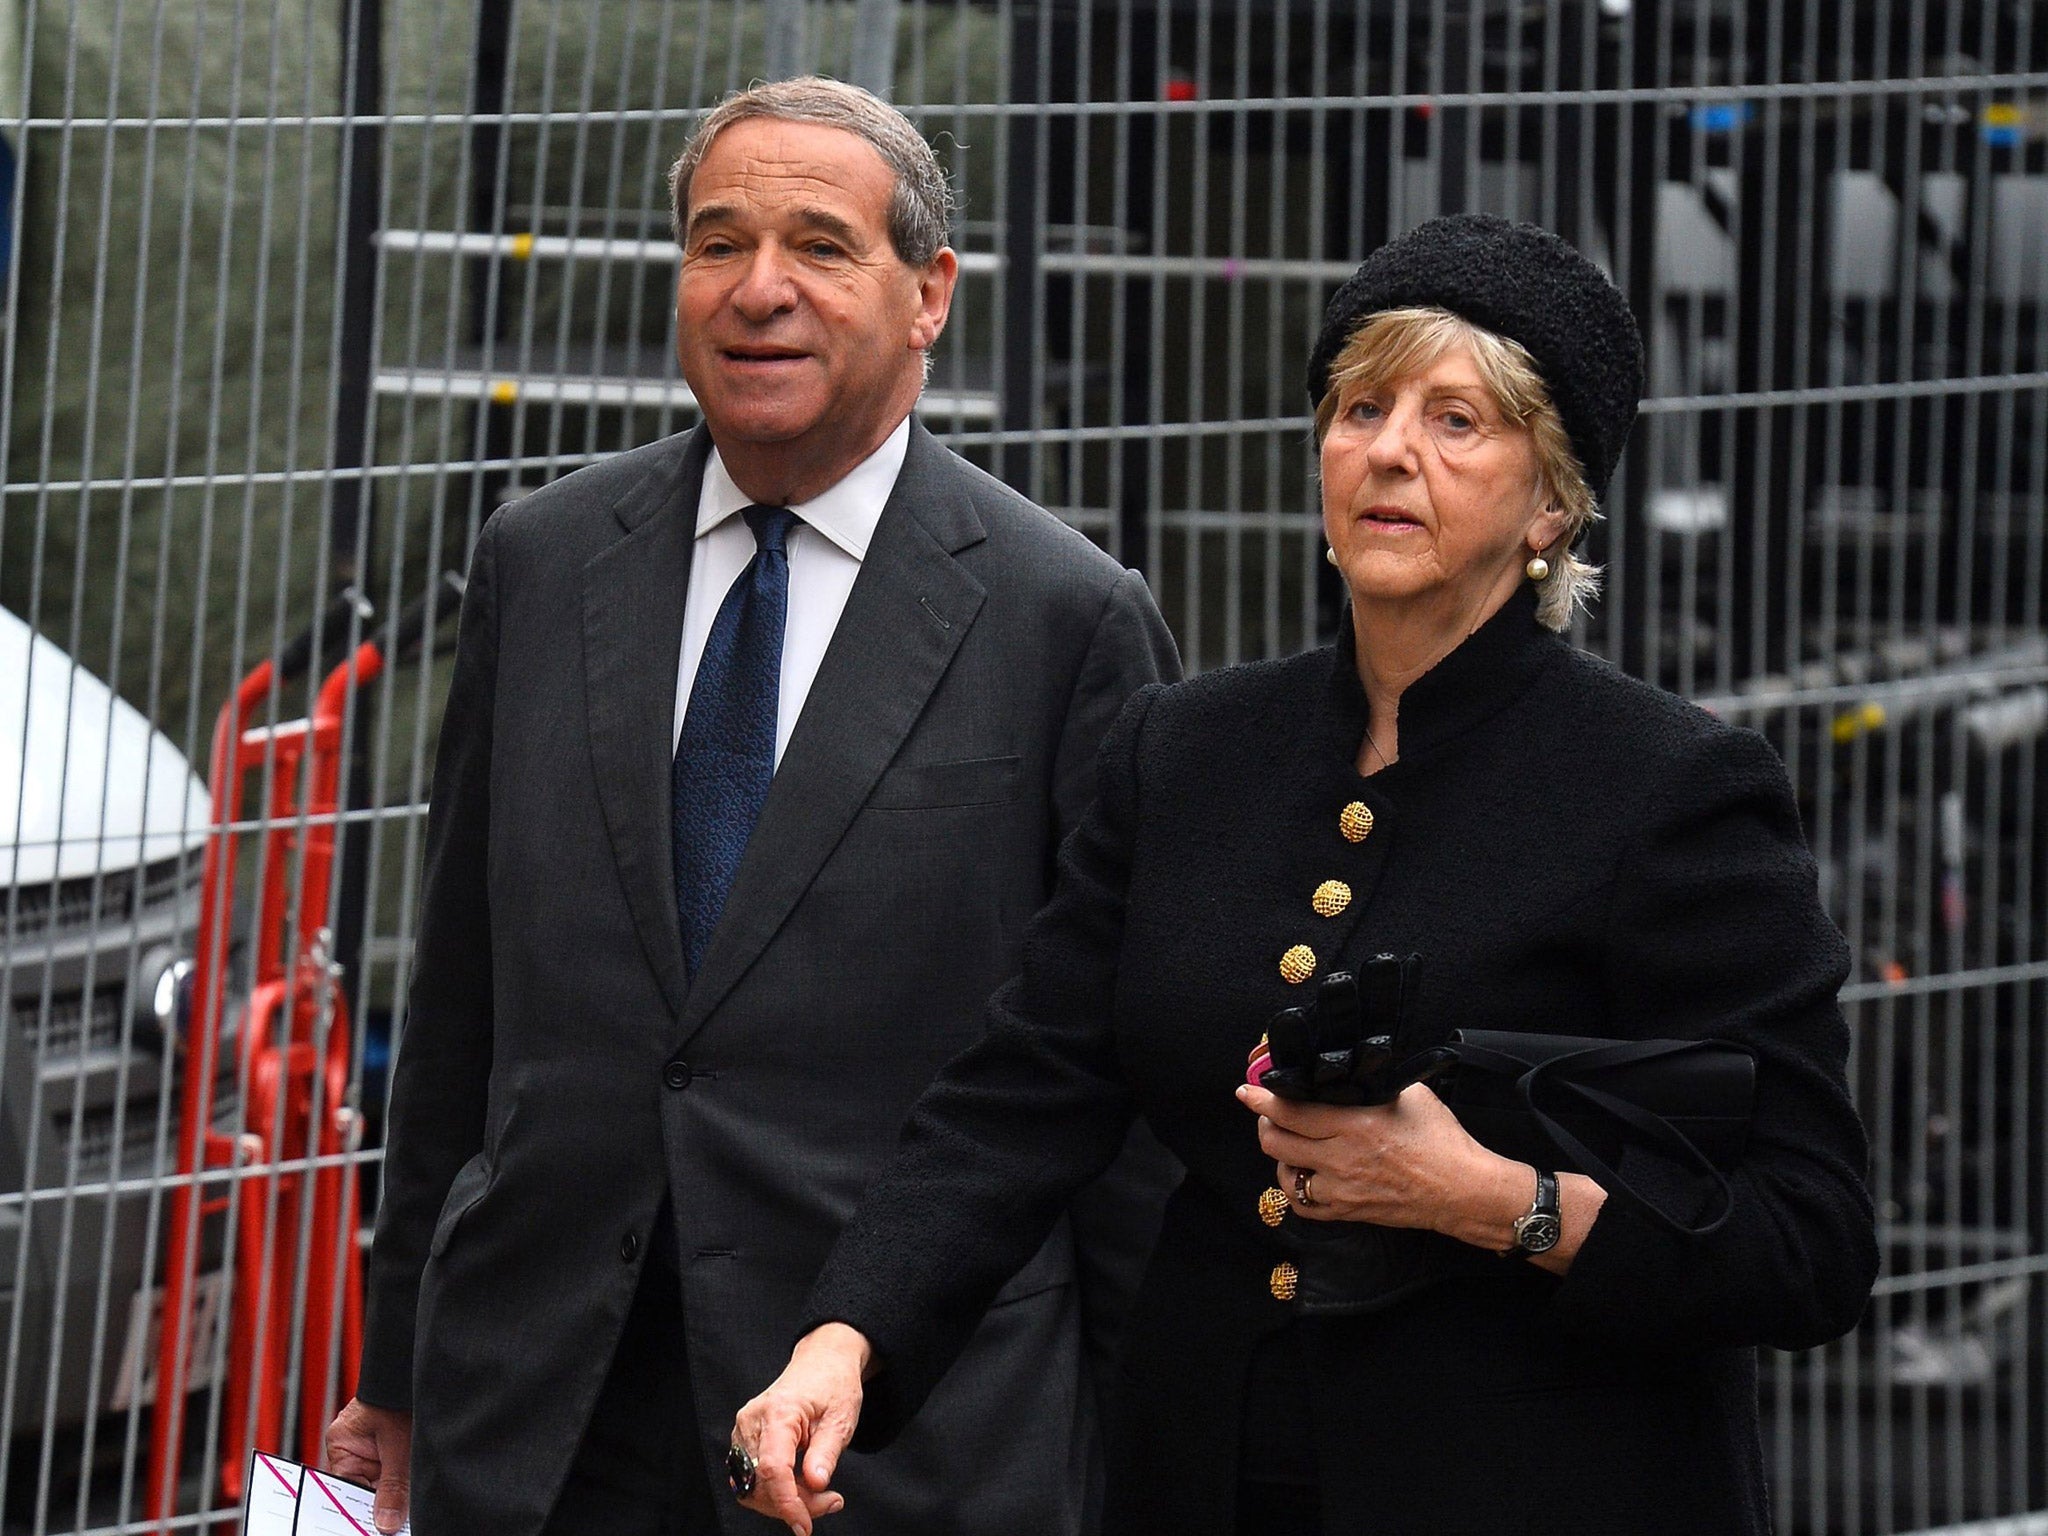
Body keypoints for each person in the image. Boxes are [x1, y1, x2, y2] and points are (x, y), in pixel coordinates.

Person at [731, 214, 1879, 1536]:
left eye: (1459, 422)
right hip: (1205, 1472)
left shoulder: (1672, 790)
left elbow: (1809, 1242)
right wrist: (849, 1336)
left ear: (1553, 501)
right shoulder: (1189, 748)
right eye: (1361, 406)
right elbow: (1021, 1094)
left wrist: (1495, 1202)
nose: (1391, 450)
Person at [324, 76, 1180, 1536]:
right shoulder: (542, 563)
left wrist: (1138, 1453)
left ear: (929, 294)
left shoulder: (1065, 621)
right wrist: (397, 1361)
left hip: (893, 1436)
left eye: (820, 247)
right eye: (717, 243)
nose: (758, 291)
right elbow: (462, 995)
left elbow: (1118, 1087)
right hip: (543, 1413)